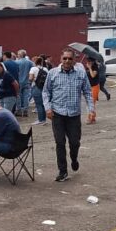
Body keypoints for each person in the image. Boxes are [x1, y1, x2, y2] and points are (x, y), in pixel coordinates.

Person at [43, 49, 95, 182]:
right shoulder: (52, 73)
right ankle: (63, 171)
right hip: (57, 114)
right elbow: (46, 92)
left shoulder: (80, 73)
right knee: (60, 143)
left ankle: (74, 158)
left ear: (74, 60)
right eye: (64, 58)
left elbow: (88, 92)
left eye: (70, 59)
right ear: (61, 59)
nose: (67, 61)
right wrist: (48, 108)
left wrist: (91, 109)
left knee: (74, 142)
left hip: (73, 115)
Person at [28, 56, 48, 125]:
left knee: (38, 105)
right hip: (44, 88)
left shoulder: (33, 68)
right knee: (43, 104)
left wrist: (35, 79)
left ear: (35, 62)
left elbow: (30, 78)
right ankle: (44, 119)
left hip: (36, 87)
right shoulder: (45, 69)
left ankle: (40, 120)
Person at [15, 50, 34, 117]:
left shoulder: (16, 62)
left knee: (18, 95)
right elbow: (33, 71)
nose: (17, 55)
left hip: (19, 81)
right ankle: (25, 110)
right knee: (26, 96)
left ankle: (19, 110)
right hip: (27, 81)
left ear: (20, 55)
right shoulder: (30, 62)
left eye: (18, 54)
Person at [85, 57, 100, 123]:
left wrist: (90, 68)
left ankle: (91, 118)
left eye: (90, 61)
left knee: (91, 103)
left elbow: (93, 75)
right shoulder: (87, 68)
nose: (88, 62)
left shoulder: (95, 67)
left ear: (93, 61)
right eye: (87, 61)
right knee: (88, 103)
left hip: (94, 87)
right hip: (88, 87)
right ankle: (92, 117)